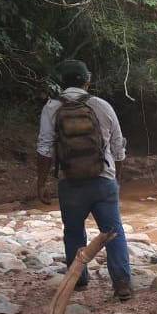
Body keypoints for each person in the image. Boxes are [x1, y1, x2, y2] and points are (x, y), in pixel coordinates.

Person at [35, 60, 134, 300]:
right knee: (113, 232)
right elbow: (118, 145)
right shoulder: (102, 105)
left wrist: (41, 183)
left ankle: (78, 280)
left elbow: (45, 149)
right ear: (87, 80)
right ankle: (122, 284)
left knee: (73, 231)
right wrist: (116, 177)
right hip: (103, 180)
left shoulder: (52, 108)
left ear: (62, 82)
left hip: (70, 182)